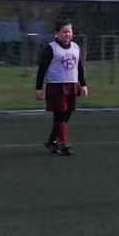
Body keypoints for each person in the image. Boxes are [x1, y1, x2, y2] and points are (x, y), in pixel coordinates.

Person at [33, 19, 85, 156]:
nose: (67, 34)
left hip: (71, 85)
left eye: (69, 31)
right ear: (57, 33)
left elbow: (79, 67)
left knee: (67, 114)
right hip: (56, 86)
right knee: (60, 114)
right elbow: (42, 69)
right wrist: (39, 88)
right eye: (64, 32)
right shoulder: (51, 48)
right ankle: (63, 144)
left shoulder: (75, 47)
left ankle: (52, 141)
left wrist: (83, 84)